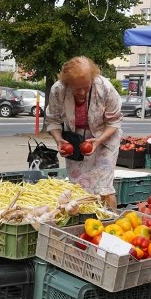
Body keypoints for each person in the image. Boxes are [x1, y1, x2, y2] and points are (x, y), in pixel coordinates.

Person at [46, 56, 123, 209]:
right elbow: (53, 119)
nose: (81, 92)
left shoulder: (105, 88)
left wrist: (99, 140)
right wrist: (59, 139)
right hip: (75, 140)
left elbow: (114, 121)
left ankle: (110, 221)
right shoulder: (57, 90)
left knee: (103, 187)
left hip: (105, 136)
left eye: (85, 87)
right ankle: (83, 223)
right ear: (67, 84)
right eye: (76, 88)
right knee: (78, 186)